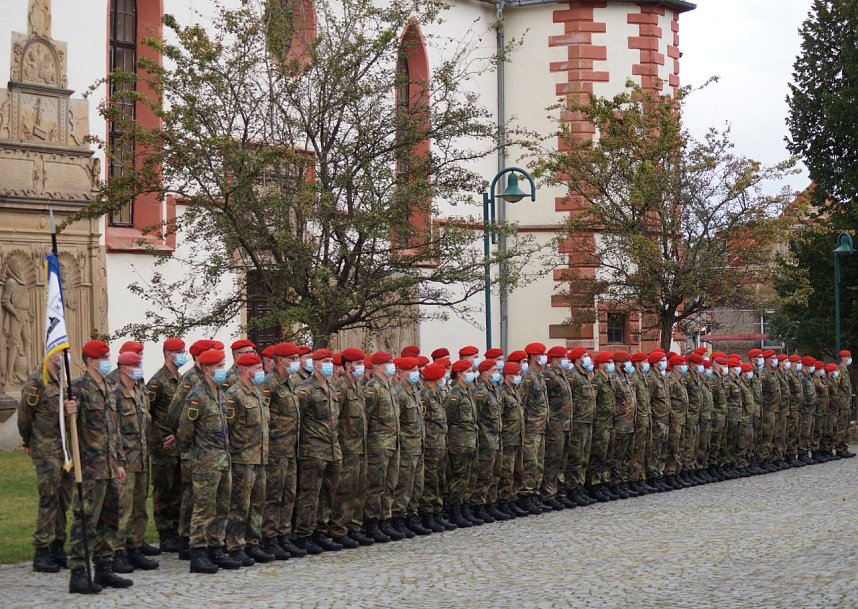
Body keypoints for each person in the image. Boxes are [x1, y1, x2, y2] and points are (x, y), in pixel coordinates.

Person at [67, 340, 131, 594]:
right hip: (90, 467)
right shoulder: (78, 389)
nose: (107, 361)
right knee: (85, 520)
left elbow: (114, 430)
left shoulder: (109, 387)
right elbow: (67, 428)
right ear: (91, 361)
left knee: (109, 518)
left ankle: (104, 567)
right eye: (103, 357)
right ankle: (79, 572)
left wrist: (119, 462)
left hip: (109, 465)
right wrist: (65, 411)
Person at [177, 347, 241, 574]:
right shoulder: (197, 395)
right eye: (219, 367)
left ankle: (216, 547)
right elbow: (185, 432)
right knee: (204, 509)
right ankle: (198, 553)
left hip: (223, 459)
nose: (223, 370)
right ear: (206, 369)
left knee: (222, 507)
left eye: (223, 366)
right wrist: (196, 453)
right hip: (205, 461)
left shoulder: (220, 393)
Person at [18, 351, 73, 573]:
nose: (65, 355)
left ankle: (58, 547)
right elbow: (24, 416)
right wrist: (29, 441)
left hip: (65, 451)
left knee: (63, 500)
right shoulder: (37, 382)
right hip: (46, 449)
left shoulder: (63, 380)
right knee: (49, 500)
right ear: (51, 354)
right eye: (62, 352)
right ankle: (42, 551)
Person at [112, 351, 158, 574]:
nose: (139, 367)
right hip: (125, 460)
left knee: (140, 506)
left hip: (142, 458)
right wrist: (117, 461)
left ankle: (135, 547)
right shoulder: (115, 394)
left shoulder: (140, 393)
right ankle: (116, 552)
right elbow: (112, 431)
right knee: (123, 508)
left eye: (139, 363)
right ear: (123, 368)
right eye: (134, 364)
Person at [225, 353, 272, 566]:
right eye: (258, 367)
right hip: (242, 458)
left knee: (257, 503)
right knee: (239, 505)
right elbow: (226, 428)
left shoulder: (258, 393)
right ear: (245, 370)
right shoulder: (234, 394)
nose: (261, 371)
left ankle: (253, 543)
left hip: (259, 457)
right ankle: (235, 545)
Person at [259, 342, 306, 558]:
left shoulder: (291, 383)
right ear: (280, 360)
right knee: (274, 495)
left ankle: (284, 535)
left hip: (290, 448)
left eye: (297, 357)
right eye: (292, 358)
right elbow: (264, 417)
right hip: (276, 449)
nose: (296, 362)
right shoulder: (270, 384)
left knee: (289, 494)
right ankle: (269, 537)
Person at [294, 349, 343, 553]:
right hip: (313, 450)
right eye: (325, 361)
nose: (330, 364)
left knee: (328, 494)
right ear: (315, 365)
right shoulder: (305, 390)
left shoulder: (331, 387)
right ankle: (304, 534)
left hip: (332, 449)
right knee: (310, 495)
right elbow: (299, 420)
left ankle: (321, 531)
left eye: (331, 360)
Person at [145, 337, 186, 553]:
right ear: (168, 354)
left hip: (178, 444)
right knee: (163, 490)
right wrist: (155, 438)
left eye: (184, 350)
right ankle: (165, 532)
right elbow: (146, 412)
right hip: (162, 446)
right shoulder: (157, 382)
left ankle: (176, 529)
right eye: (179, 351)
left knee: (177, 489)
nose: (183, 355)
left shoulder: (180, 379)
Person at [330, 348, 374, 547]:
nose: (361, 367)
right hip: (347, 447)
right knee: (345, 490)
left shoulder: (358, 385)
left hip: (360, 445)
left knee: (359, 489)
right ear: (348, 366)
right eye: (357, 363)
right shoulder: (342, 387)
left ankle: (354, 526)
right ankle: (340, 528)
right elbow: (335, 418)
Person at [363, 351, 402, 542]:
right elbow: (365, 419)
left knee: (389, 484)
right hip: (377, 445)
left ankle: (386, 520)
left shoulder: (390, 387)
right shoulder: (372, 388)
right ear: (378, 366)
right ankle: (372, 523)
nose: (392, 365)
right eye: (389, 362)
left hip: (393, 443)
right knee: (375, 487)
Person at [391, 356, 430, 536]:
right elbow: (396, 423)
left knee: (416, 485)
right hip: (406, 446)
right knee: (404, 485)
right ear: (401, 373)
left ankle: (411, 516)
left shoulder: (414, 391)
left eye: (417, 369)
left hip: (418, 444)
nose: (417, 373)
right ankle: (399, 518)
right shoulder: (398, 393)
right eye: (412, 370)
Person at [444, 359, 479, 528]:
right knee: (458, 477)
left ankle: (464, 507)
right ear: (459, 374)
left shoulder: (468, 391)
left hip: (470, 440)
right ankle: (455, 510)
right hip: (459, 442)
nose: (472, 373)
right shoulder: (455, 394)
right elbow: (447, 418)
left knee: (467, 476)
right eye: (468, 370)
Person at [472, 359, 507, 521]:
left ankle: (491, 504)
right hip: (485, 439)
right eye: (493, 370)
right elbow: (475, 416)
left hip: (496, 437)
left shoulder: (494, 389)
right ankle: (479, 506)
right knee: (484, 475)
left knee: (495, 473)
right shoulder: (481, 392)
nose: (497, 373)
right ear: (485, 373)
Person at [418, 363, 452, 531]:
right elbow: (423, 421)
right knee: (430, 480)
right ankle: (428, 514)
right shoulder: (424, 396)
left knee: (439, 479)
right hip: (431, 444)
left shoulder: (436, 394)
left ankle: (437, 511)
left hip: (440, 443)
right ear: (435, 378)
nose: (444, 378)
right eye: (442, 376)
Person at [519, 342, 550, 512]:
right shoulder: (528, 377)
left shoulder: (539, 375)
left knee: (539, 462)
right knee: (530, 462)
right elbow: (521, 403)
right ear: (533, 357)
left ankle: (535, 493)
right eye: (542, 354)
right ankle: (526, 495)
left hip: (540, 426)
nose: (544, 357)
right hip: (531, 427)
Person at [564, 347, 597, 506]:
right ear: (577, 360)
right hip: (578, 422)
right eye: (585, 356)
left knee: (584, 457)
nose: (588, 358)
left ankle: (580, 486)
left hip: (588, 421)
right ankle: (572, 489)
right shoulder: (573, 376)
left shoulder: (585, 375)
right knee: (575, 457)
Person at [541, 346, 573, 509]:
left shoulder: (562, 374)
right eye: (563, 357)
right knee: (552, 460)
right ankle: (548, 493)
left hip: (565, 424)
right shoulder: (549, 376)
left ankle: (560, 491)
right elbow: (545, 400)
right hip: (555, 425)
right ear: (555, 358)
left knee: (562, 460)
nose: (566, 360)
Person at [588, 351, 617, 501]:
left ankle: (605, 483)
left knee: (608, 456)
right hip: (601, 424)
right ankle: (595, 485)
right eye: (608, 361)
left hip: (610, 423)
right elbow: (593, 403)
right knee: (598, 456)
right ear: (600, 364)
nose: (610, 364)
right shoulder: (597, 381)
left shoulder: (609, 379)